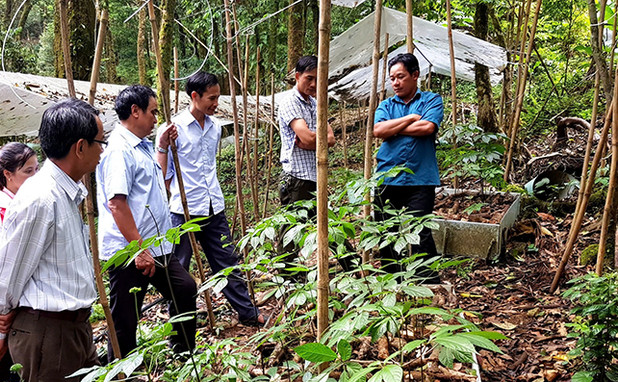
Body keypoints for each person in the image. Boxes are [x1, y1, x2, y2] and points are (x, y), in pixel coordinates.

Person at [0, 98, 119, 382]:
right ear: (79, 147)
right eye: (100, 142)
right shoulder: (40, 199)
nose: (102, 150)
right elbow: (7, 271)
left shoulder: (65, 193)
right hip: (47, 335)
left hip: (73, 331)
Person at [97, 85, 198, 361]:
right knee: (126, 316)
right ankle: (122, 375)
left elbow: (156, 183)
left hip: (156, 245)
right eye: (152, 112)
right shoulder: (119, 151)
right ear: (135, 111)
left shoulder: (140, 147)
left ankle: (183, 353)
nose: (156, 118)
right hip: (130, 249)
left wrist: (162, 146)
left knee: (185, 289)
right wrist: (138, 249)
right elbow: (117, 203)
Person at [156, 72, 264, 327]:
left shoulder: (215, 127)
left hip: (213, 205)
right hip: (183, 210)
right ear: (195, 96)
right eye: (212, 98)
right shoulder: (173, 129)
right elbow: (162, 174)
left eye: (218, 97)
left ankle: (248, 313)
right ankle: (181, 329)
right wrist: (163, 147)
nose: (216, 103)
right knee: (179, 271)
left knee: (227, 262)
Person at [277, 55, 357, 272]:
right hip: (297, 178)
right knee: (292, 229)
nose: (313, 84)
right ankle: (286, 278)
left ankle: (353, 267)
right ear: (297, 77)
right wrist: (313, 140)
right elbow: (310, 138)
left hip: (313, 176)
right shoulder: (289, 102)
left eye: (318, 79)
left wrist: (313, 140)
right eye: (309, 78)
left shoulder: (315, 103)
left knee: (325, 224)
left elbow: (329, 139)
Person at [373, 53, 444, 283]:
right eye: (392, 78)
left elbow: (427, 128)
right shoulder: (385, 104)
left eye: (400, 77)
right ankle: (391, 281)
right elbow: (378, 131)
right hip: (387, 177)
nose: (395, 83)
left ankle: (428, 282)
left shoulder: (432, 100)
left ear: (415, 75)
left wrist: (394, 128)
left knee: (421, 230)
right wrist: (411, 118)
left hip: (420, 178)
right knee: (386, 232)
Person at [0, 142, 39, 359]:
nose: (35, 176)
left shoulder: (33, 201)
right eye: (28, 171)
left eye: (37, 169)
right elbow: (3, 265)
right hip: (14, 299)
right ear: (8, 174)